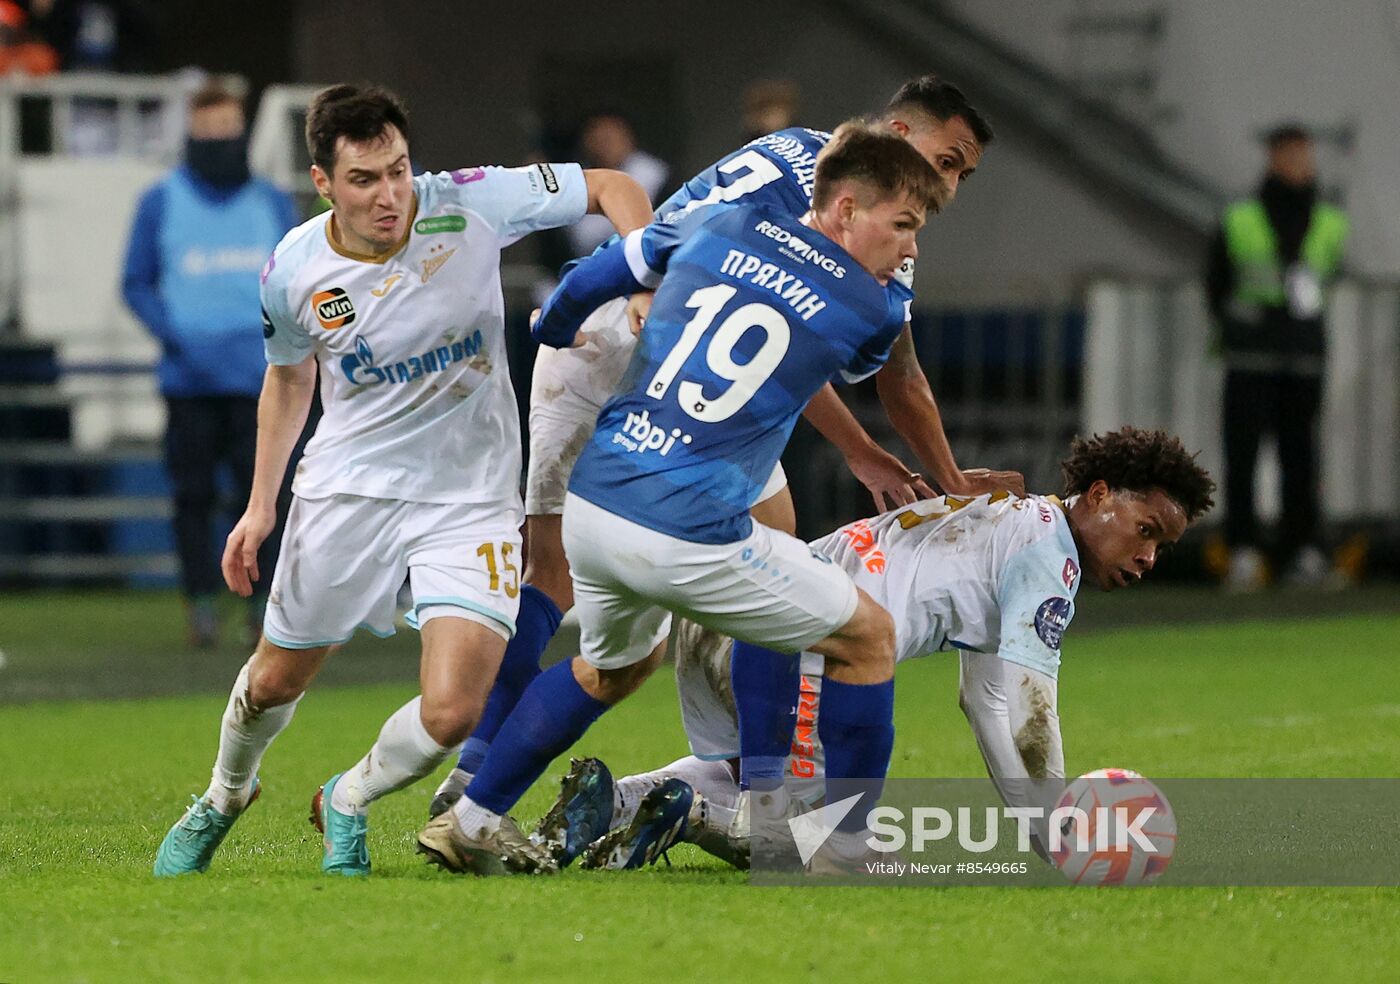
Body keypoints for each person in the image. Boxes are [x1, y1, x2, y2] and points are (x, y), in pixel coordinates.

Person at [429, 74, 1023, 818]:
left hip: (606, 324)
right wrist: (928, 470)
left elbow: (708, 286)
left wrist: (561, 321)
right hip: (684, 356)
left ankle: (471, 781)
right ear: (899, 138)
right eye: (950, 159)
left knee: (553, 577)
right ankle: (764, 792)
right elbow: (869, 364)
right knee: (778, 562)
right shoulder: (871, 214)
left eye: (964, 174)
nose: (953, 185)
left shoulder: (787, 154)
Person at [151, 82, 652, 877]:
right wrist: (257, 507)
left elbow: (610, 186)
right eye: (364, 180)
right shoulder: (292, 270)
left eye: (398, 170)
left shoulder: (471, 202)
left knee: (454, 712)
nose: (391, 196)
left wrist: (645, 271)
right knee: (276, 680)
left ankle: (346, 798)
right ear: (323, 184)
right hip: (347, 493)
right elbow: (289, 382)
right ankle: (224, 794)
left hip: (472, 500)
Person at [529, 427, 1215, 870]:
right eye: (1146, 529)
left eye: (1162, 545)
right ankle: (694, 818)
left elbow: (985, 698)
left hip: (729, 622)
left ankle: (614, 802)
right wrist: (1062, 825)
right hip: (797, 642)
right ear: (1097, 495)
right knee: (826, 849)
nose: (1149, 556)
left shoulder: (1011, 523)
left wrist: (1038, 826)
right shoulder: (1050, 555)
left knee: (750, 775)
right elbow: (1033, 712)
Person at [122, 82, 299, 647]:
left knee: (264, 497)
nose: (221, 140)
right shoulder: (160, 202)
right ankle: (200, 602)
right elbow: (136, 283)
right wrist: (177, 338)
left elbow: (301, 279)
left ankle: (260, 608)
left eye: (230, 129)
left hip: (263, 382)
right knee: (192, 499)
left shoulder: (273, 202)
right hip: (189, 383)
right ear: (191, 134)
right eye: (210, 130)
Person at [1205, 123, 1348, 591]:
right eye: (1289, 154)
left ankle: (1301, 552)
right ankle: (1244, 550)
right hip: (1250, 357)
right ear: (1272, 159)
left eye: (1303, 155)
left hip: (1303, 358)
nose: (1298, 164)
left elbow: (1329, 278)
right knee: (1243, 458)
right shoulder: (1241, 216)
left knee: (1302, 458)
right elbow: (1217, 283)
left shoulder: (1330, 219)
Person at [567, 112, 669, 257]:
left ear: (628, 137)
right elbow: (582, 237)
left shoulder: (655, 174)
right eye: (598, 139)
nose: (605, 146)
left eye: (610, 138)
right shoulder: (577, 179)